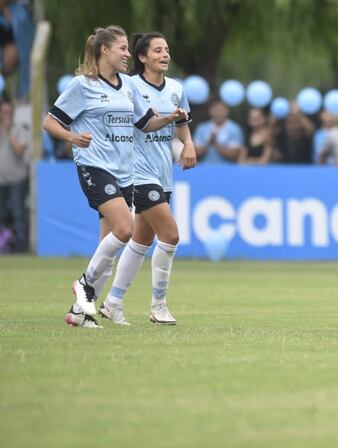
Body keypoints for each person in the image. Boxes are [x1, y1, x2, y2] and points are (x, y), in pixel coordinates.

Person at [42, 26, 187, 328]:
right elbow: (50, 122)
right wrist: (72, 137)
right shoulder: (83, 85)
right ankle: (84, 286)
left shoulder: (128, 86)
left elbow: (146, 123)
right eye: (122, 48)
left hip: (124, 172)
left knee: (108, 245)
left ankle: (80, 312)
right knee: (125, 228)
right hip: (95, 166)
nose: (126, 54)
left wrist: (169, 119)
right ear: (104, 50)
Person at [97, 32, 196, 325]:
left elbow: (183, 122)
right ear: (142, 58)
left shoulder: (176, 88)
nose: (164, 55)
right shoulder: (129, 86)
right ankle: (159, 305)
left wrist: (188, 144)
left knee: (142, 239)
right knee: (171, 234)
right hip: (137, 172)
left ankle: (113, 301)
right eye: (157, 51)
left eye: (166, 50)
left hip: (163, 172)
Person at [0, 100, 29, 252]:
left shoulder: (20, 130)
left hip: (17, 180)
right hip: (1, 180)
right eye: (4, 113)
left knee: (18, 214)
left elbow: (19, 150)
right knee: (1, 215)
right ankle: (3, 246)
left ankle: (21, 248)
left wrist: (9, 132)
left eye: (9, 113)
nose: (7, 116)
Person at [0, 0, 29, 96]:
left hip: (11, 49)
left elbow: (23, 31)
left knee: (11, 52)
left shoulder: (15, 10)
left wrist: (10, 18)